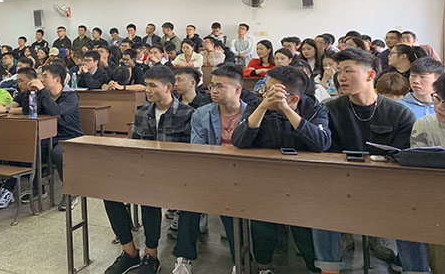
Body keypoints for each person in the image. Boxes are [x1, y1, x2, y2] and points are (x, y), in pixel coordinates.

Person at [312, 48, 416, 273]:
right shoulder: (329, 109)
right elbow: (325, 153)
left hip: (387, 187)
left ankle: (413, 268)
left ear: (370, 75)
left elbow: (402, 159)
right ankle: (329, 267)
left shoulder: (399, 113)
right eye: (339, 71)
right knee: (320, 202)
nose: (341, 77)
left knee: (414, 208)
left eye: (349, 71)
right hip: (341, 184)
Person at [233, 65, 330, 273]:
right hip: (265, 180)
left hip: (304, 182)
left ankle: (313, 267)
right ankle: (263, 266)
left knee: (304, 228)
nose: (264, 94)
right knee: (262, 223)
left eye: (270, 91)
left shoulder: (314, 108)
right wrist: (262, 107)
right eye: (265, 89)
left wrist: (287, 109)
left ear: (293, 98)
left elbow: (322, 142)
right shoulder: (258, 105)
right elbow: (239, 140)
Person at [103, 66, 193, 274]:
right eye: (146, 85)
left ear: (168, 87)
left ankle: (151, 255)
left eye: (152, 86)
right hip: (143, 171)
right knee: (108, 191)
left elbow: (189, 155)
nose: (147, 90)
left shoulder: (187, 114)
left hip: (173, 176)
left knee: (148, 194)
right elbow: (134, 146)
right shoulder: (142, 112)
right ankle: (129, 251)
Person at [172, 64, 247, 273]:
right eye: (212, 86)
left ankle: (240, 261)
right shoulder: (201, 114)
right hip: (210, 172)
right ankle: (184, 258)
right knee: (189, 202)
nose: (213, 90)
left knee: (233, 208)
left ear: (237, 89)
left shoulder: (251, 114)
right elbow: (200, 151)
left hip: (243, 175)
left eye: (220, 86)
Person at [398, 72, 445, 274]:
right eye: (437, 99)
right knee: (409, 215)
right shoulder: (425, 124)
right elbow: (418, 167)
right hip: (433, 195)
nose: (440, 106)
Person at [26, 63, 84, 210]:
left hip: (71, 137)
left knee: (58, 152)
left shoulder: (71, 96)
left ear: (57, 79)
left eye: (45, 76)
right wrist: (32, 94)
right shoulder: (44, 94)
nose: (41, 79)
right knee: (32, 149)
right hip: (50, 135)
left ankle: (71, 192)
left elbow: (55, 111)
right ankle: (38, 188)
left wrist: (42, 91)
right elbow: (30, 112)